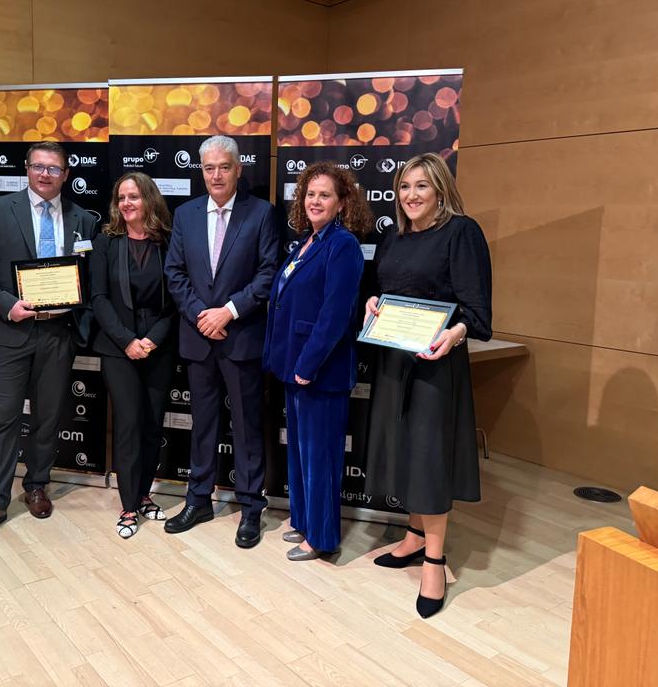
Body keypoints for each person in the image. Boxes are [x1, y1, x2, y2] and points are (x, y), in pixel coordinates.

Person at [363, 152, 492, 617]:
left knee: (429, 460)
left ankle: (434, 561)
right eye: (404, 186)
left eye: (421, 186)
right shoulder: (393, 237)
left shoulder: (462, 233)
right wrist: (374, 302)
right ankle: (414, 537)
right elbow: (384, 290)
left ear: (440, 190)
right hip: (394, 362)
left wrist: (453, 335)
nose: (411, 195)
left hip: (436, 366)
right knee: (407, 453)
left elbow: (476, 312)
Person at [0, 141, 99, 540]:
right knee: (3, 418)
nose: (45, 174)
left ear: (66, 175)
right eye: (38, 166)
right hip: (9, 331)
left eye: (54, 168)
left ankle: (36, 484)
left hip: (58, 333)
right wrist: (7, 304)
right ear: (26, 169)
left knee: (48, 416)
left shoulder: (82, 219)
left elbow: (90, 276)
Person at [163, 135, 279, 548]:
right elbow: (174, 272)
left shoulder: (261, 213)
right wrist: (202, 315)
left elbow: (268, 273)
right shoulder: (186, 214)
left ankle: (250, 508)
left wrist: (228, 312)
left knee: (247, 426)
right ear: (201, 171)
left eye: (224, 167)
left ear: (238, 169)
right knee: (203, 424)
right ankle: (199, 500)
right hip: (198, 337)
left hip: (240, 337)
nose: (216, 175)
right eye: (209, 168)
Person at [263, 162, 372, 561]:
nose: (315, 200)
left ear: (342, 203)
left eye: (325, 195)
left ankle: (322, 538)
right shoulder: (306, 242)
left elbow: (335, 315)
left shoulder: (343, 245)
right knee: (301, 453)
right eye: (310, 194)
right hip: (294, 367)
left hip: (319, 371)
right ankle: (304, 521)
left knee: (320, 458)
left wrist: (307, 366)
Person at [91, 172, 176, 539]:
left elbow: (176, 301)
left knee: (153, 425)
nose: (126, 203)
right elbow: (98, 298)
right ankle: (128, 506)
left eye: (134, 197)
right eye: (121, 197)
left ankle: (143, 494)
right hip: (117, 348)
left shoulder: (168, 242)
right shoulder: (106, 242)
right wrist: (127, 341)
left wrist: (152, 340)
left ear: (149, 200)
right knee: (128, 424)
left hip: (158, 347)